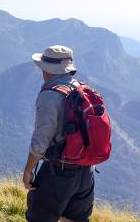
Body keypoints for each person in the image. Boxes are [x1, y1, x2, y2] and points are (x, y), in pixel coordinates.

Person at [23, 45, 94, 222]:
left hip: (59, 171)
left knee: (39, 217)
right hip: (86, 170)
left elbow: (41, 140)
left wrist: (28, 170)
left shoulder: (50, 96)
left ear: (46, 69)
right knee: (73, 219)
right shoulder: (80, 89)